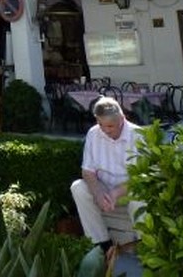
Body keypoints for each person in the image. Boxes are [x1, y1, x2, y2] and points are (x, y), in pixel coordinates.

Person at [70, 96, 145, 253]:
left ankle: (146, 245)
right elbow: (87, 171)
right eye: (101, 125)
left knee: (140, 197)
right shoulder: (93, 133)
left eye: (110, 126)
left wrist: (116, 193)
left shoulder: (138, 135)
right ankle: (101, 244)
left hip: (130, 190)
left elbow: (141, 177)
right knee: (78, 187)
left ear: (122, 118)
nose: (105, 130)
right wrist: (98, 192)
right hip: (104, 188)